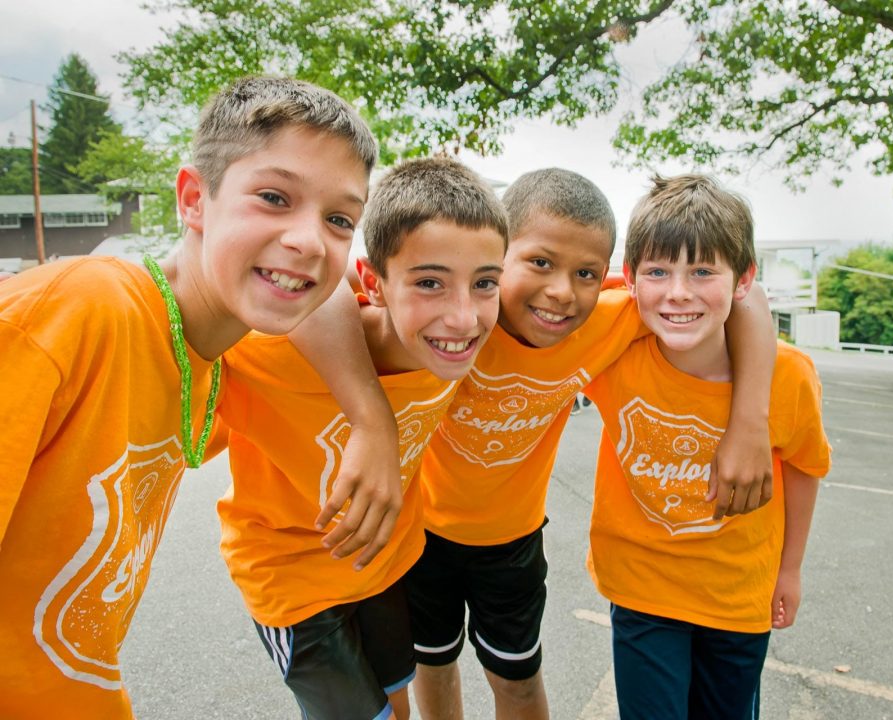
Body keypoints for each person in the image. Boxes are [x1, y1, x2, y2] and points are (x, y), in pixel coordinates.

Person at [0, 76, 403, 719]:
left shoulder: (206, 365)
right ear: (194, 198)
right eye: (274, 197)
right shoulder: (83, 309)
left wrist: (372, 420)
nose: (307, 240)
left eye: (338, 220)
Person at [405, 168, 778, 720]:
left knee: (517, 679)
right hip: (420, 532)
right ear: (497, 256)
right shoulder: (454, 315)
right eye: (539, 262)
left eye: (585, 272)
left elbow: (748, 298)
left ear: (608, 276)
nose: (561, 291)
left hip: (512, 545)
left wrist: (749, 422)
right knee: (431, 666)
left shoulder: (607, 320)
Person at [216, 157, 508, 720]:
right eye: (429, 283)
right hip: (293, 585)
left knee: (397, 694)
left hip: (387, 564)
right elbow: (289, 295)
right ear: (373, 282)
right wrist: (370, 414)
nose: (464, 317)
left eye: (485, 284)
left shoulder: (459, 345)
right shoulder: (269, 352)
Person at [583, 174, 831, 719]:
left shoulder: (789, 377)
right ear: (629, 278)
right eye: (657, 271)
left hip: (737, 596)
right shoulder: (613, 351)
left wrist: (790, 569)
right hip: (642, 588)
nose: (677, 292)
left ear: (743, 279)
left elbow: (805, 469)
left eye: (702, 271)